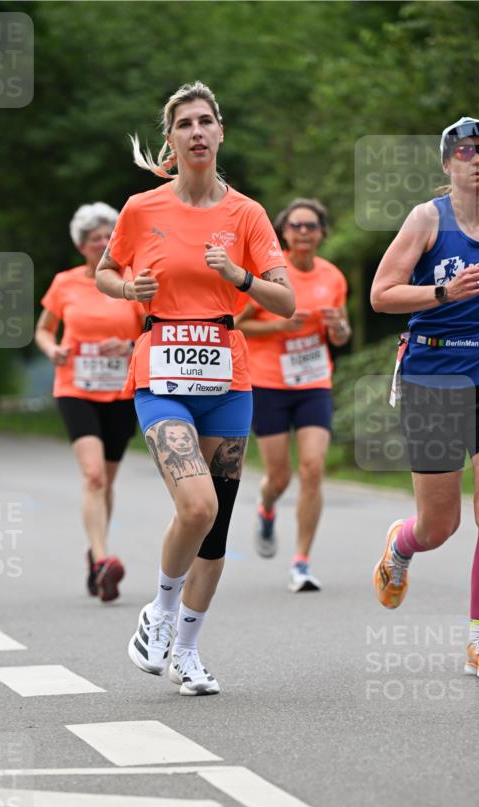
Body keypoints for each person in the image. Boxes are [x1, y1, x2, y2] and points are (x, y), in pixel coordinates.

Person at [96, 81, 294, 695]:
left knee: (216, 529)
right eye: (186, 124)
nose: (199, 132)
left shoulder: (248, 214)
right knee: (197, 505)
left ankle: (186, 650)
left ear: (221, 132)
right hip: (160, 373)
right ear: (172, 139)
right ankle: (157, 612)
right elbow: (105, 270)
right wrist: (129, 291)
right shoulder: (141, 209)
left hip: (227, 377)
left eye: (208, 121)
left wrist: (239, 275)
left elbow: (286, 301)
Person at [370, 116, 479, 678]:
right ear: (447, 164)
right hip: (433, 375)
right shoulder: (427, 219)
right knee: (438, 526)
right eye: (466, 151)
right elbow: (381, 294)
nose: (477, 160)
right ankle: (401, 545)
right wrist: (443, 291)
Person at [236, 197, 351, 591]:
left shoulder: (333, 276)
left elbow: (341, 334)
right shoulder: (270, 276)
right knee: (280, 477)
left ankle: (301, 561)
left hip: (314, 382)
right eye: (296, 226)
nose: (304, 232)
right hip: (269, 382)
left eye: (311, 226)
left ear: (321, 233)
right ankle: (267, 507)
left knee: (314, 468)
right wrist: (279, 329)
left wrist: (338, 329)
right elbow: (235, 324)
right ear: (284, 232)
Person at [36, 202, 144, 601]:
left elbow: (152, 332)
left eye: (108, 236)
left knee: (107, 481)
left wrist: (130, 344)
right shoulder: (64, 283)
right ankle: (103, 561)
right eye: (94, 238)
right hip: (75, 389)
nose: (102, 242)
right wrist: (53, 350)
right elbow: (44, 330)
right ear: (82, 245)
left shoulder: (131, 280)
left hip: (120, 390)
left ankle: (94, 552)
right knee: (94, 475)